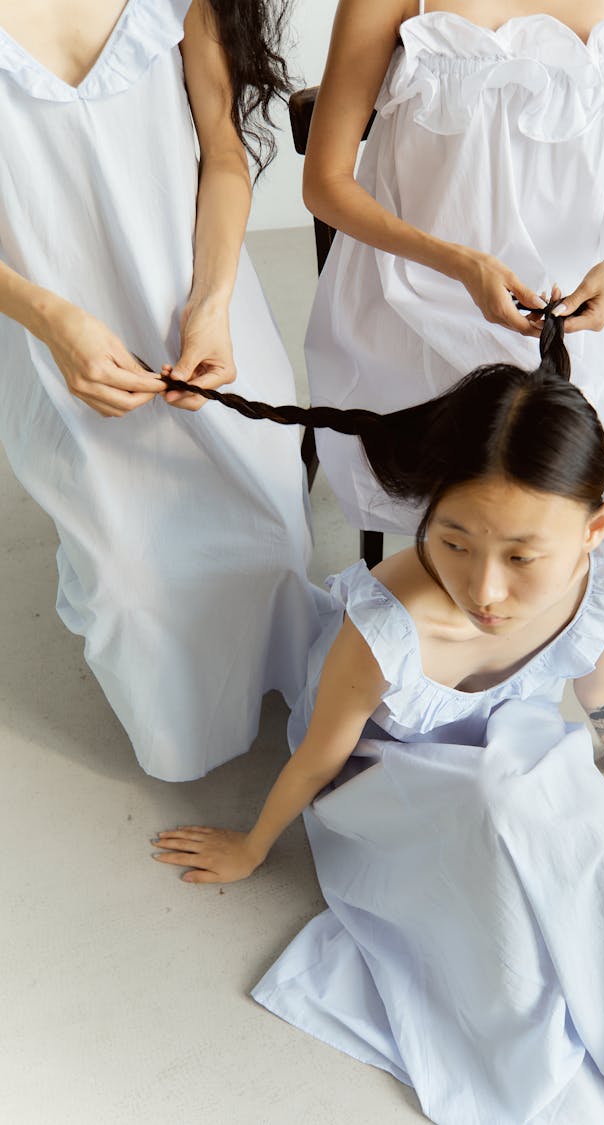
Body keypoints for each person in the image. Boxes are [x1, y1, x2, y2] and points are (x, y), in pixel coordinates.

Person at [151, 311, 604, 1125]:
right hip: (388, 772)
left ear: (594, 527)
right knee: (503, 877)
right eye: (452, 541)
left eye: (522, 557)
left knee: (599, 851)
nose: (484, 590)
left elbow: (596, 673)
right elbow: (319, 758)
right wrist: (251, 845)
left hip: (511, 737)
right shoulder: (383, 628)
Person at [0, 0, 317, 781]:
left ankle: (288, 678)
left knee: (275, 526)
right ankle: (185, 733)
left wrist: (212, 304)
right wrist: (50, 318)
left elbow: (222, 156)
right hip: (55, 336)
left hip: (201, 309)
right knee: (130, 583)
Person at [301, 0, 604, 536]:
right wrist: (460, 264)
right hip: (413, 294)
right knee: (473, 506)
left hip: (566, 309)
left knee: (548, 510)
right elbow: (324, 182)